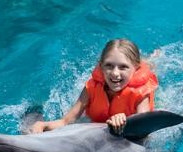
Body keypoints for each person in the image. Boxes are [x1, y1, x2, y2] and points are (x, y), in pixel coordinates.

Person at [30, 39, 158, 135]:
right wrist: (43, 125)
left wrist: (125, 121)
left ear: (136, 68)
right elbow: (65, 121)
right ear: (101, 66)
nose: (115, 73)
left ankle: (154, 58)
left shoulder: (141, 94)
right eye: (109, 65)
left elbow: (144, 130)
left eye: (123, 67)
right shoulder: (91, 88)